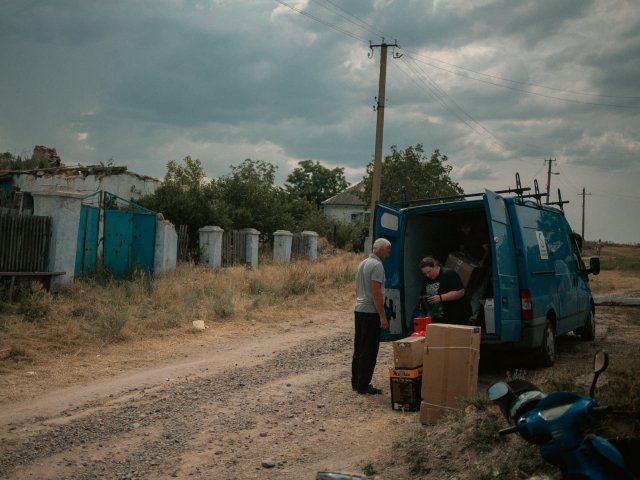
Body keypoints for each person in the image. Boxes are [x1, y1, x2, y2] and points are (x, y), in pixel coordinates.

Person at [352, 237, 391, 395]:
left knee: (359, 348)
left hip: (359, 309)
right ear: (380, 250)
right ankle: (364, 385)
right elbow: (376, 292)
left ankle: (356, 382)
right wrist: (382, 315)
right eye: (387, 251)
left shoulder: (363, 263)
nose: (388, 255)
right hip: (370, 312)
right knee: (369, 349)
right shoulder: (377, 266)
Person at [419, 256, 472, 325]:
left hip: (456, 316)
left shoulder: (448, 274)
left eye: (429, 272)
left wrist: (440, 298)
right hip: (439, 317)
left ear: (435, 266)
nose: (427, 275)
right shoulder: (427, 279)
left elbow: (460, 292)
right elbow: (422, 294)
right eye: (425, 273)